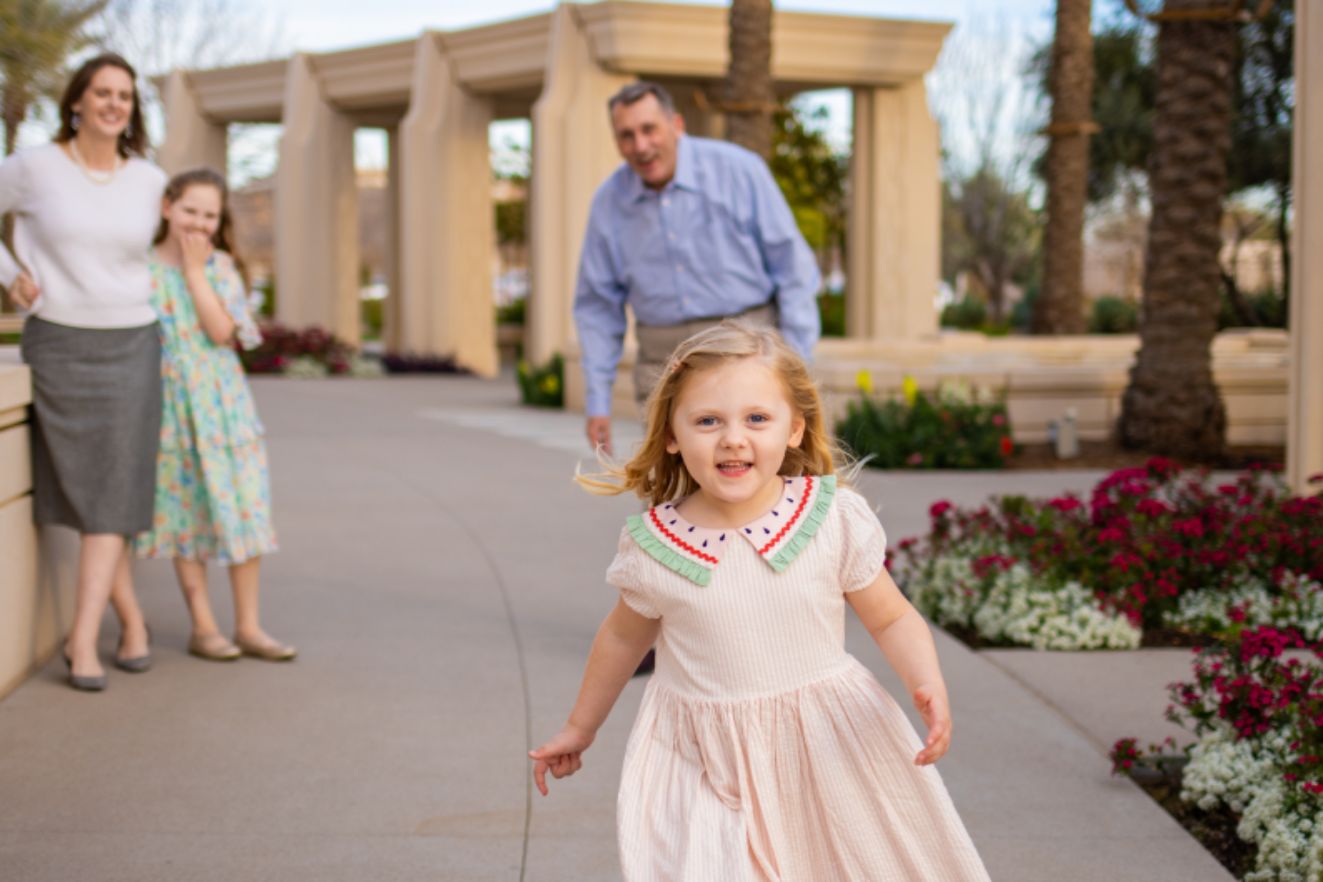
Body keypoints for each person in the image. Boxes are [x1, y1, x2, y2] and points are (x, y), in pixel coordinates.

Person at [529, 323, 990, 881]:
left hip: (823, 745)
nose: (732, 438)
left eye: (756, 419)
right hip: (702, 758)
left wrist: (928, 681)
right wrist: (581, 727)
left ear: (794, 428)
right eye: (707, 421)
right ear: (672, 434)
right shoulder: (657, 545)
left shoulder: (830, 519)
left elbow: (891, 617)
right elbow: (623, 638)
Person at [0, 54, 166, 691]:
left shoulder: (151, 181)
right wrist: (8, 276)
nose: (113, 104)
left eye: (124, 95)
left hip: (131, 344)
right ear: (77, 101)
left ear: (132, 109)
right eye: (102, 92)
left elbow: (177, 252)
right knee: (92, 495)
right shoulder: (35, 167)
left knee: (112, 495)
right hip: (60, 344)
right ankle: (133, 623)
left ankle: (82, 638)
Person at [574, 81, 821, 458]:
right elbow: (597, 305)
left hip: (748, 345)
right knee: (670, 489)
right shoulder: (608, 202)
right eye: (626, 135)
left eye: (649, 129)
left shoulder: (739, 170)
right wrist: (597, 402)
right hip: (663, 359)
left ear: (676, 124)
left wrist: (797, 372)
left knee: (776, 479)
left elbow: (794, 270)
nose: (640, 146)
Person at [130, 168, 295, 663]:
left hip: (225, 407)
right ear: (167, 208)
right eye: (189, 212)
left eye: (209, 215)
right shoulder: (139, 268)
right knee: (187, 516)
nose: (198, 224)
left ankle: (249, 625)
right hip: (171, 410)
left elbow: (223, 332)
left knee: (245, 509)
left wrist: (195, 272)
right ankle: (203, 627)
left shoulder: (220, 267)